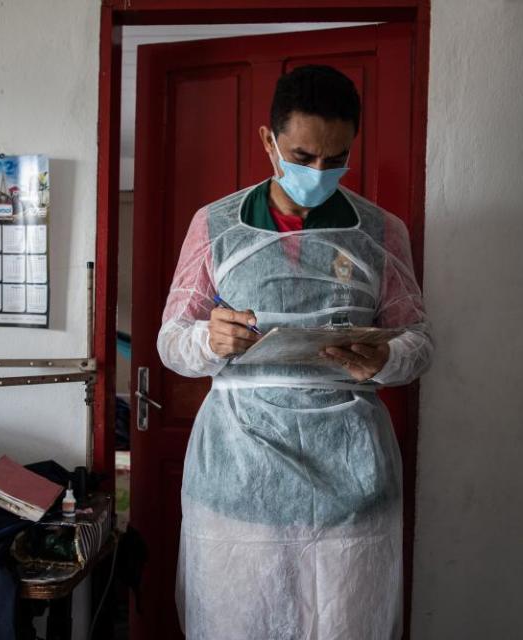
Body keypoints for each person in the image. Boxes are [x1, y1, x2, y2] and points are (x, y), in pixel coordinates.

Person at [157, 64, 433, 640]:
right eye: (303, 156)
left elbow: (419, 342)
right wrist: (209, 338)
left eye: (336, 159)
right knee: (240, 620)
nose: (319, 172)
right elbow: (172, 341)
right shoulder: (215, 226)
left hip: (351, 471)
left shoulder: (381, 232)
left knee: (343, 621)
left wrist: (384, 359)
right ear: (268, 140)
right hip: (238, 469)